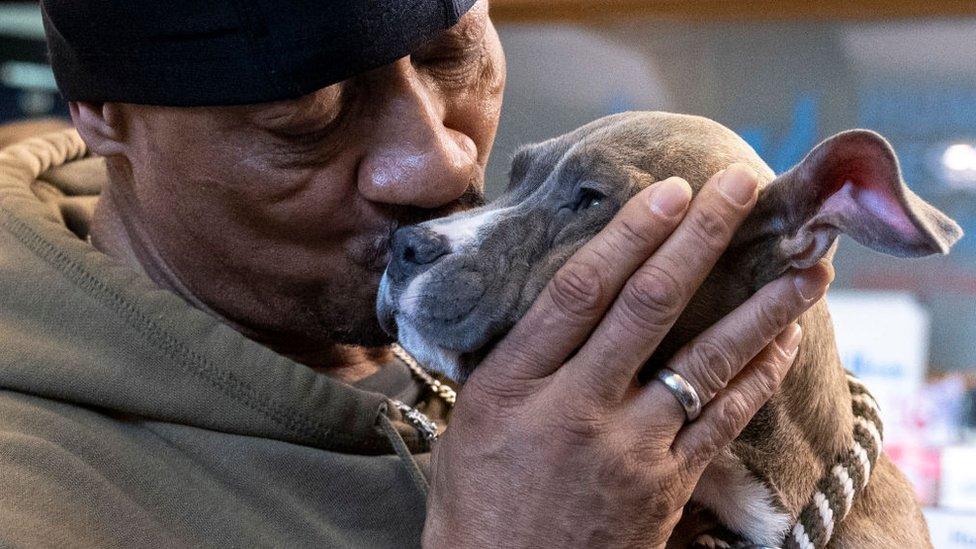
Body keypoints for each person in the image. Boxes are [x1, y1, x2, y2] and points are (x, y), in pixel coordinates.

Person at [0, 0, 832, 546]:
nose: (439, 164)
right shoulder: (34, 496)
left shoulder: (542, 308)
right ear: (101, 116)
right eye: (306, 116)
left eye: (451, 55)